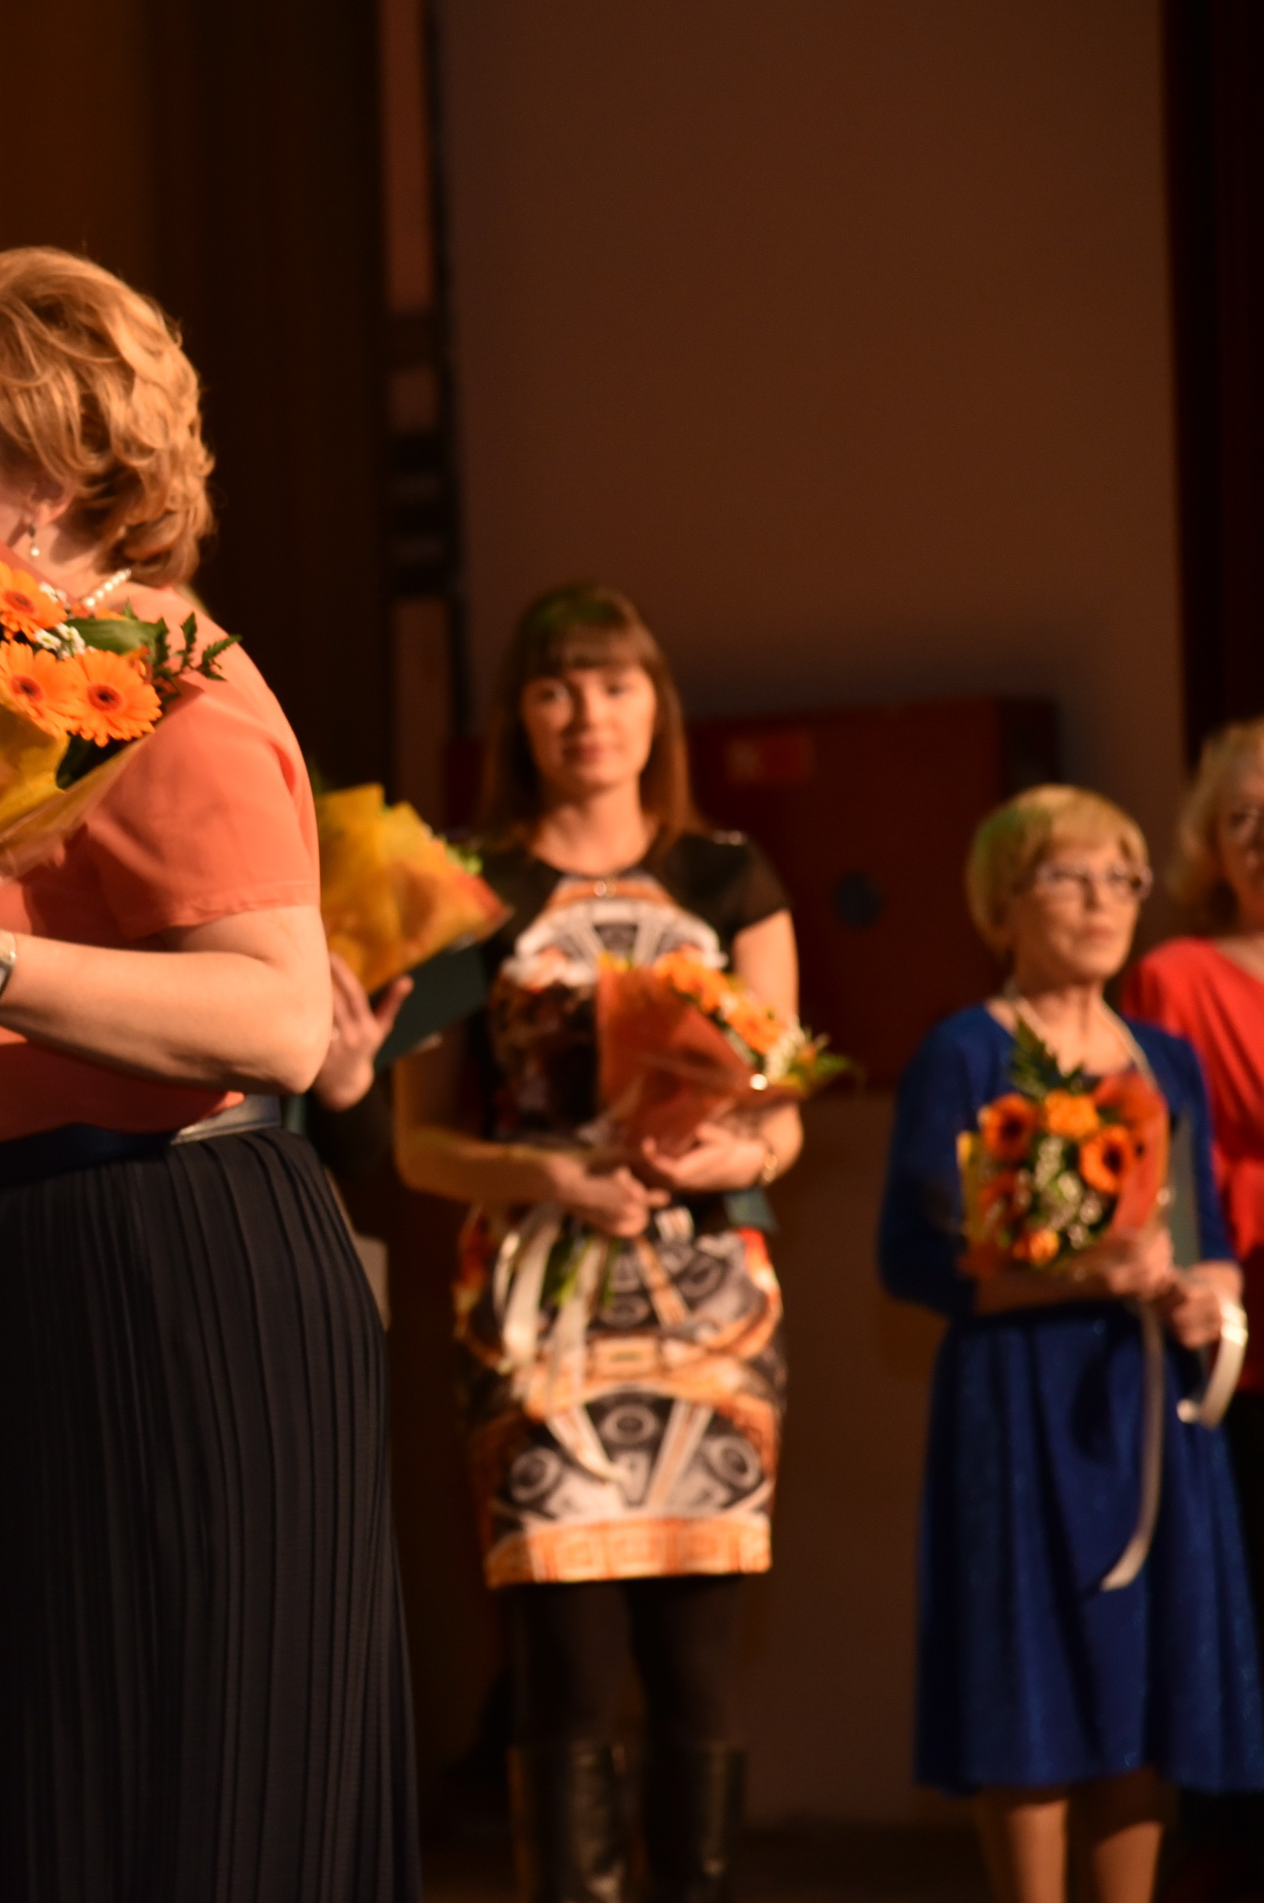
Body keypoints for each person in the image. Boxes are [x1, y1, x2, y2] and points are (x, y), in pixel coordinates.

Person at [0, 246, 420, 1899]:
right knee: (44, 1814)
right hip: (6, 1280)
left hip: (158, 1283)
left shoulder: (159, 678)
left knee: (171, 1816)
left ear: (47, 486)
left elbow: (275, 1018)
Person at [394, 584, 802, 1903]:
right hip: (535, 1321)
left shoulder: (731, 877)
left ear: (656, 706)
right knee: (562, 1672)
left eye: (615, 683)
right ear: (518, 714)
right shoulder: (462, 890)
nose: (587, 713)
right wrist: (549, 1175)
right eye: (555, 687)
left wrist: (730, 1154)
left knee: (696, 1673)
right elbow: (417, 1144)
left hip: (709, 1314)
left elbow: (781, 1117)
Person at [881, 786, 1264, 1903]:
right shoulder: (964, 1052)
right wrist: (1070, 1275)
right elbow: (909, 1257)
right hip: (1018, 1402)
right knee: (1029, 1678)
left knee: (1142, 1678)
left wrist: (1207, 1299)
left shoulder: (1165, 1059)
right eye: (1069, 877)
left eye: (1122, 879)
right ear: (1003, 905)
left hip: (1146, 1407)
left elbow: (1205, 1234)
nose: (1102, 902)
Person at [1119, 724, 1264, 1897]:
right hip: (1256, 1357)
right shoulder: (1176, 979)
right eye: (1244, 818)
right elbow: (1161, 1174)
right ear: (1209, 848)